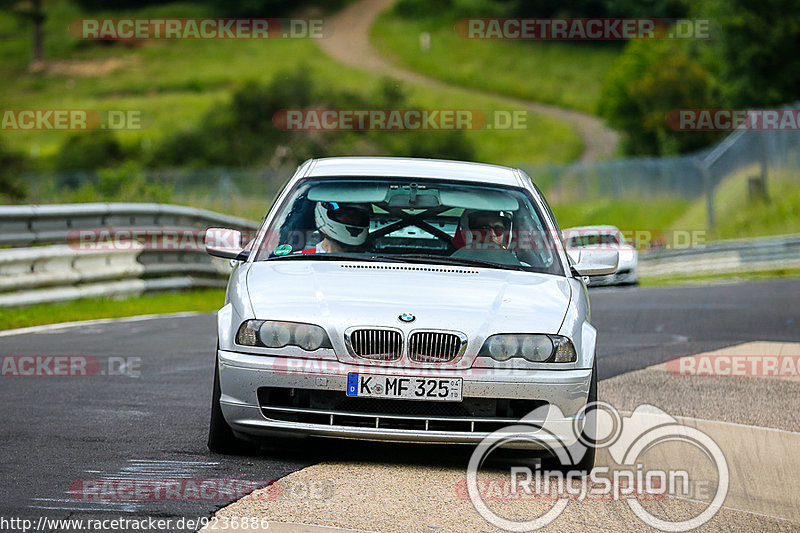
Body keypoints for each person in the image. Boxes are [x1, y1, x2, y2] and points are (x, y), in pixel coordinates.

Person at [301, 202, 371, 253]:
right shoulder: (300, 261)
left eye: (358, 216)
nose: (354, 220)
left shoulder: (372, 262)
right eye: (346, 214)